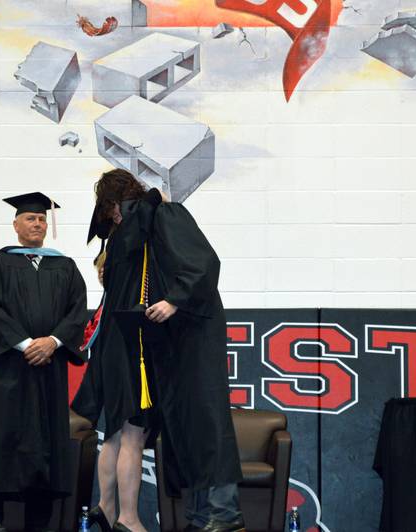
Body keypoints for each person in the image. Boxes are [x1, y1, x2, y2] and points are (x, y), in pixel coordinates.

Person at [74, 170, 245, 532]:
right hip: (167, 343)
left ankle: (225, 515)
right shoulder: (140, 234)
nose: (115, 222)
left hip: (195, 333)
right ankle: (200, 517)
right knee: (184, 430)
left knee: (207, 423)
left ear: (118, 202)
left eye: (114, 213)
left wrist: (173, 301)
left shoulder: (167, 215)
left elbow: (204, 264)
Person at [0, 192, 89, 532]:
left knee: (47, 441)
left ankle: (38, 523)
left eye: (41, 219)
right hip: (12, 366)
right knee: (4, 438)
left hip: (49, 366)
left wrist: (52, 342)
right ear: (16, 225)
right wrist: (26, 344)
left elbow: (77, 311)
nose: (37, 223)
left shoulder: (65, 265)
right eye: (30, 218)